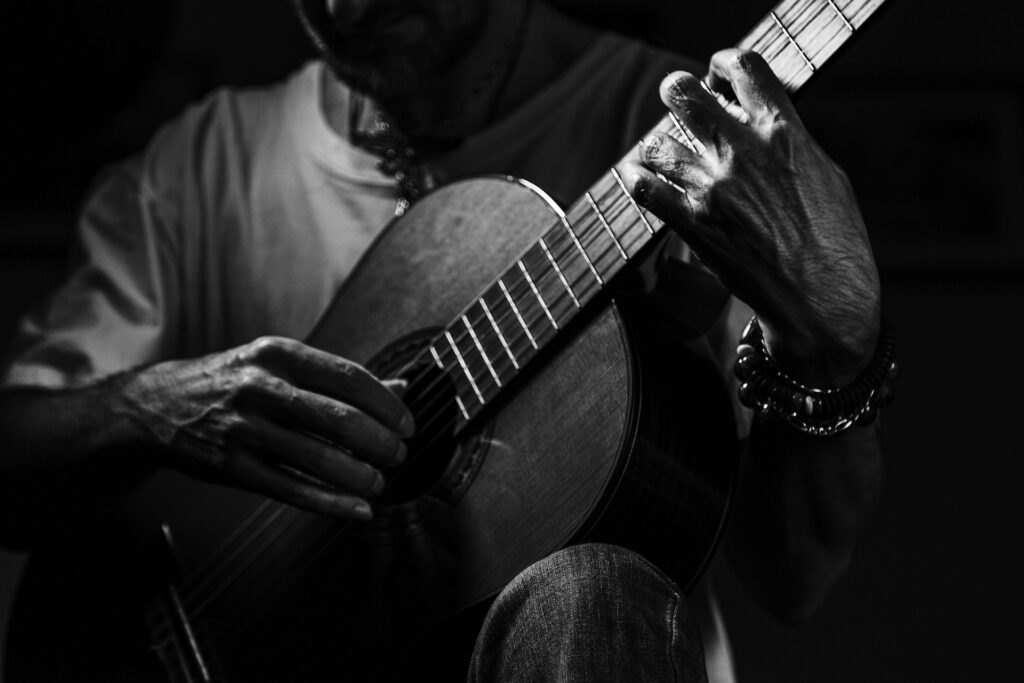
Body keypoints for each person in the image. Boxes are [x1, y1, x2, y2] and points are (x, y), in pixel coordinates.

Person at [0, 0, 887, 680]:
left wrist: (827, 345)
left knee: (587, 590)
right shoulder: (192, 170)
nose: (348, 6)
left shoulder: (697, 140)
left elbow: (794, 577)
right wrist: (151, 408)